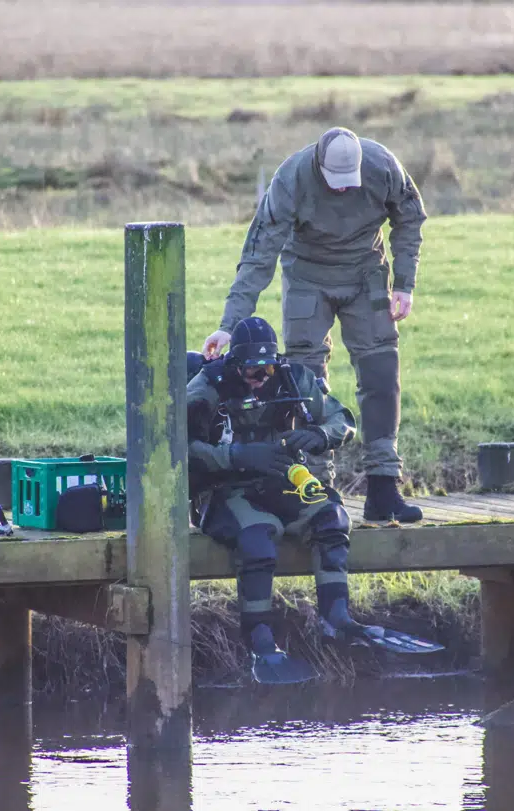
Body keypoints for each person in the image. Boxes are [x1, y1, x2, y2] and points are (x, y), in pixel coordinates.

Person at [187, 316, 441, 684]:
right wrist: (237, 456)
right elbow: (181, 446)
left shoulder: (292, 378)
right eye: (252, 370)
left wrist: (320, 435)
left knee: (331, 519)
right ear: (235, 364)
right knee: (258, 536)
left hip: (280, 480)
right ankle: (260, 640)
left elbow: (343, 419)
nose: (261, 377)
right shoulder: (208, 386)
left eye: (268, 367)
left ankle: (336, 619)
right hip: (225, 489)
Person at [201, 126, 427, 524]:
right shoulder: (290, 180)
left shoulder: (383, 166)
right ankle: (319, 487)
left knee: (380, 372)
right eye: (334, 183)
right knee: (305, 381)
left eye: (349, 184)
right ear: (319, 166)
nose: (342, 190)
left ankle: (384, 486)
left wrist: (405, 283)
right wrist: (229, 325)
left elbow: (410, 218)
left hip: (366, 272)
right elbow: (259, 254)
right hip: (307, 276)